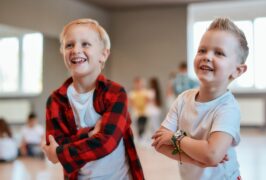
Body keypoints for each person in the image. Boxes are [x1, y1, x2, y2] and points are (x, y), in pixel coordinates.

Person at [42, 18, 144, 180]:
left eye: (85, 44)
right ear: (63, 53)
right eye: (69, 45)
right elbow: (55, 144)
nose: (76, 50)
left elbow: (106, 142)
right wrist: (89, 134)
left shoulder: (116, 93)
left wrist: (61, 152)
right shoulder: (55, 100)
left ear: (103, 54)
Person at [152, 17, 248, 180]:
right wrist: (195, 159)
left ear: (237, 71)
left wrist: (175, 137)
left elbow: (211, 154)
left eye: (219, 53)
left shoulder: (227, 108)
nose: (207, 56)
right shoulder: (183, 99)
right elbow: (159, 143)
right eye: (202, 50)